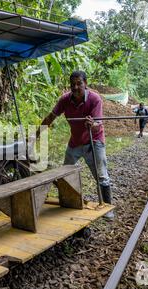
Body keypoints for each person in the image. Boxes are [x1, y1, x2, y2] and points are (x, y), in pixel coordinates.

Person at [35, 70, 113, 219]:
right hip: (75, 142)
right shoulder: (65, 100)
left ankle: (108, 209)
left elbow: (98, 123)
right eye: (73, 84)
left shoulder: (95, 99)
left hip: (93, 141)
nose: (76, 87)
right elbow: (51, 117)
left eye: (79, 84)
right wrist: (36, 135)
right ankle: (67, 203)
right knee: (64, 173)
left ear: (86, 84)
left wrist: (93, 124)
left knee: (101, 176)